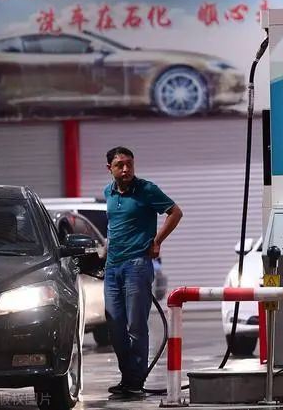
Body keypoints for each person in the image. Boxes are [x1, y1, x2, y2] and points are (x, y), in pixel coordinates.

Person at [103, 147, 183, 396]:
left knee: (135, 325)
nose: (126, 169)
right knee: (115, 325)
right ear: (110, 168)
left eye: (129, 164)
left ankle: (135, 381)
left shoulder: (146, 189)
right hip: (112, 267)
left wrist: (157, 241)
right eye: (120, 165)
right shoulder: (108, 192)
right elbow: (114, 226)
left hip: (137, 265)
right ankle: (127, 377)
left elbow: (175, 212)